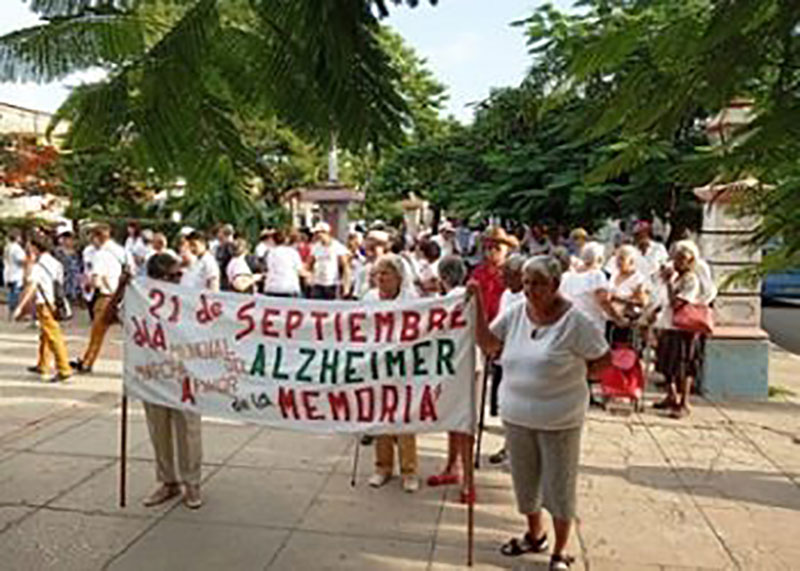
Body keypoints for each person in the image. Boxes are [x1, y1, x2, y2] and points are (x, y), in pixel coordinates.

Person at [470, 256, 611, 569]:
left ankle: (560, 551)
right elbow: (489, 343)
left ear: (556, 285)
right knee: (525, 483)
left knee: (559, 488)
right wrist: (477, 304)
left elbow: (603, 359)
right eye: (526, 282)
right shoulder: (517, 312)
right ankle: (535, 535)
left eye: (538, 283)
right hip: (517, 417)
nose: (530, 290)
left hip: (559, 420)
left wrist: (576, 376)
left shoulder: (576, 322)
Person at [141, 253, 203, 509]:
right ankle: (168, 482)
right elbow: (111, 318)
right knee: (159, 429)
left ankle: (192, 483)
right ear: (158, 278)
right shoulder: (139, 299)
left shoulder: (187, 299)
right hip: (153, 375)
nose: (180, 279)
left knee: (188, 430)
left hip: (185, 375)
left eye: (180, 274)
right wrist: (122, 288)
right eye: (174, 275)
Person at [363, 254, 420, 493]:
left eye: (385, 274)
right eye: (377, 274)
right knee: (381, 418)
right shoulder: (369, 298)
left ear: (398, 277)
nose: (380, 279)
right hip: (377, 367)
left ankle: (410, 471)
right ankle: (382, 467)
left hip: (404, 367)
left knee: (404, 419)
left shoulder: (412, 299)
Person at [427, 255, 475, 503]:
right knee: (454, 420)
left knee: (462, 422)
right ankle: (453, 468)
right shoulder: (455, 297)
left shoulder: (456, 298)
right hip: (455, 366)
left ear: (443, 278)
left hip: (462, 366)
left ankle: (467, 479)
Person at [654, 240, 707, 419]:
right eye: (676, 258)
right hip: (669, 324)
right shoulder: (677, 276)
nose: (677, 262)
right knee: (666, 362)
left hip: (684, 328)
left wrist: (669, 283)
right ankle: (671, 395)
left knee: (683, 365)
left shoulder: (691, 279)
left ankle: (684, 401)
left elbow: (677, 303)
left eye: (681, 259)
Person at [14, 236, 72, 382]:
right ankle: (43, 364)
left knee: (53, 336)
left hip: (44, 303)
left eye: (29, 246)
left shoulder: (38, 266)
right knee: (45, 335)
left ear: (35, 247)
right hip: (54, 301)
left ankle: (64, 368)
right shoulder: (55, 263)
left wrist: (21, 307)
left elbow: (30, 285)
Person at [71, 224, 124, 374]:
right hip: (119, 295)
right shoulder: (119, 251)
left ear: (97, 237)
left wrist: (85, 283)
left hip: (105, 297)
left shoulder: (101, 255)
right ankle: (87, 360)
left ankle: (87, 362)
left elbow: (95, 280)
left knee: (97, 332)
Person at [559, 242, 617, 335]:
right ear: (599, 259)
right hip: (591, 326)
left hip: (568, 326)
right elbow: (603, 301)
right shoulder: (596, 275)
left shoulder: (565, 277)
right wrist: (618, 319)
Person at [608, 245, 650, 338]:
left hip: (625, 320)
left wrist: (617, 299)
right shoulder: (614, 275)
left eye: (622, 259)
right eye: (617, 259)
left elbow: (642, 302)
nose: (618, 262)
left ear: (631, 261)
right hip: (609, 316)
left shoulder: (638, 279)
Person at [307, 222, 350, 300]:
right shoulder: (315, 247)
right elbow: (309, 264)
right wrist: (309, 277)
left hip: (332, 283)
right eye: (316, 233)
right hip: (318, 283)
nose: (317, 235)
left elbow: (345, 266)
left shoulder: (337, 246)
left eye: (319, 232)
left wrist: (346, 286)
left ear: (326, 233)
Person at [263, 229, 306, 297]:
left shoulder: (270, 252)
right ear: (286, 239)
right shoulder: (292, 252)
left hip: (272, 287)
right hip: (290, 287)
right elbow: (300, 270)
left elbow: (268, 267)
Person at [352, 230, 389, 299]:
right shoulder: (363, 267)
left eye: (374, 247)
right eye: (368, 247)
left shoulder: (390, 266)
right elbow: (357, 291)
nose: (369, 251)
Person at [53, 230, 83, 303]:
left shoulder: (78, 252)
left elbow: (81, 267)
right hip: (63, 282)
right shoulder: (57, 252)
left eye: (72, 239)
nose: (71, 241)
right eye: (68, 239)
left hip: (77, 285)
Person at [4, 228, 27, 319]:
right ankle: (15, 313)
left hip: (9, 273)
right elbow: (22, 260)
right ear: (17, 237)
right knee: (16, 294)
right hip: (16, 274)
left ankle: (11, 312)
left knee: (11, 293)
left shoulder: (7, 247)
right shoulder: (16, 248)